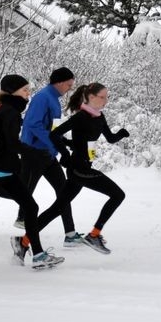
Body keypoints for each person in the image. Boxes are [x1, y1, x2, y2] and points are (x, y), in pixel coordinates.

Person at [0, 75, 64, 269]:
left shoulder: (3, 109)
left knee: (28, 207)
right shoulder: (10, 112)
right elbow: (12, 144)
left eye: (28, 89)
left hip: (1, 168)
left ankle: (38, 254)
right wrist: (34, 152)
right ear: (13, 91)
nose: (28, 93)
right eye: (24, 90)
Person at [37, 82, 130, 255]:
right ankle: (94, 235)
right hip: (79, 169)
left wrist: (121, 134)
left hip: (84, 167)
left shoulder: (99, 117)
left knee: (58, 207)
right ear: (91, 97)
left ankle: (24, 240)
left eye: (107, 97)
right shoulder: (81, 117)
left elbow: (109, 138)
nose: (106, 100)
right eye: (102, 97)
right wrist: (65, 153)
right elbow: (54, 134)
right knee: (118, 195)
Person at [18, 67, 75, 237]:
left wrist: (63, 142)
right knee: (21, 192)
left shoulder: (53, 98)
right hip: (35, 152)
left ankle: (70, 234)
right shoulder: (43, 97)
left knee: (64, 191)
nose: (70, 89)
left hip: (46, 154)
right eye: (68, 85)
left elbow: (52, 128)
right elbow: (33, 124)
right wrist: (53, 144)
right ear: (58, 82)